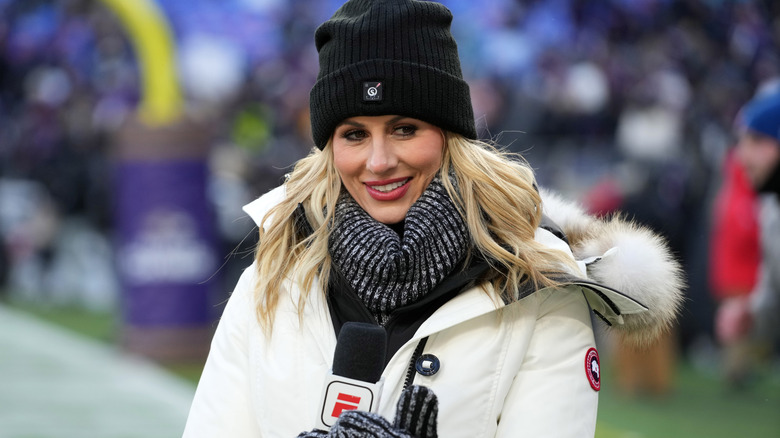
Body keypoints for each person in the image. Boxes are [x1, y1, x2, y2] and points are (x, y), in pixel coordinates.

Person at [182, 1, 684, 437]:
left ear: (450, 137)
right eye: (354, 134)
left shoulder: (539, 290)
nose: (378, 161)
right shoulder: (271, 278)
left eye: (404, 128)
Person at [729, 88, 780, 375]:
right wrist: (752, 311)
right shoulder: (771, 209)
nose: (741, 156)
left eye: (756, 140)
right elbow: (773, 290)